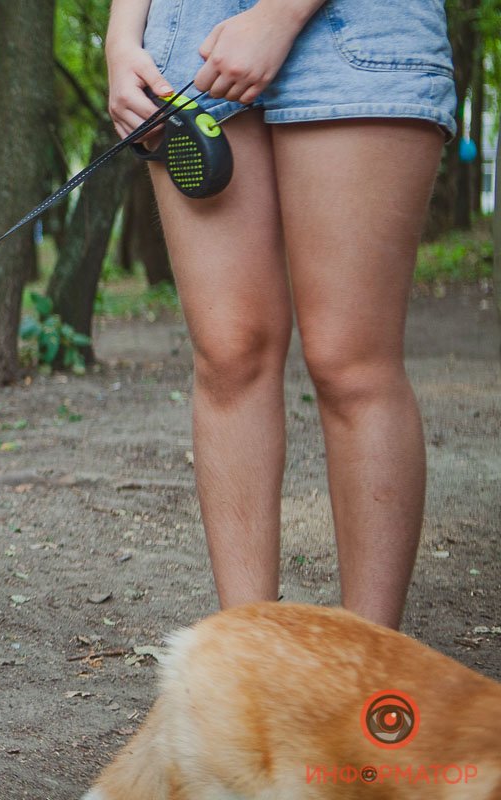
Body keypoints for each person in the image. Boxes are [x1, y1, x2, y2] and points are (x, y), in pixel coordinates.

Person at [106, 0, 455, 629]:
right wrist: (122, 39)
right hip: (187, 39)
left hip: (354, 28)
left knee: (350, 364)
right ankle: (249, 669)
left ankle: (368, 673)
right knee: (229, 357)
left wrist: (280, 15)